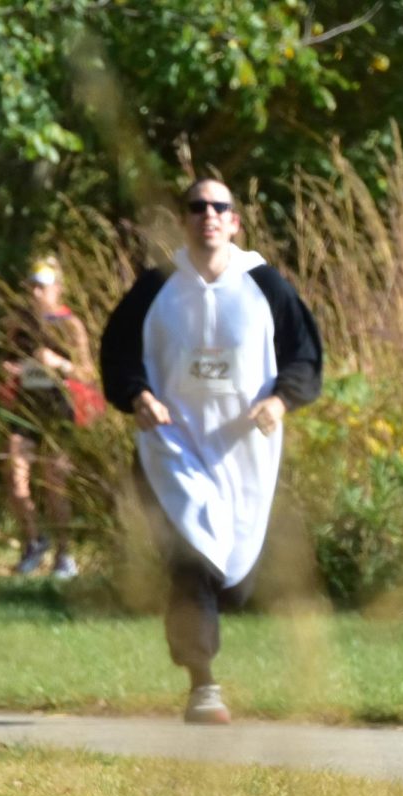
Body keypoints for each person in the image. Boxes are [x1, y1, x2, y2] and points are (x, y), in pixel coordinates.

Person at [100, 178, 322, 724]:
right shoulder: (156, 287)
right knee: (190, 560)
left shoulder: (266, 285)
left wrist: (280, 399)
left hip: (243, 453)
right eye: (197, 207)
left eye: (219, 206)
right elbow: (118, 351)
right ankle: (203, 684)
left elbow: (305, 356)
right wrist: (139, 396)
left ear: (235, 221)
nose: (208, 215)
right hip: (171, 449)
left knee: (235, 576)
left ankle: (206, 653)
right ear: (184, 220)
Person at [0, 255, 96, 579]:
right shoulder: (19, 323)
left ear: (58, 289)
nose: (36, 293)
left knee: (56, 482)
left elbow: (88, 372)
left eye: (43, 286)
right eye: (33, 286)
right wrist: (9, 370)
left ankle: (65, 555)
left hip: (61, 409)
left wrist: (60, 364)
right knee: (14, 473)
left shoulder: (71, 325)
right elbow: (6, 361)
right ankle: (34, 540)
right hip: (27, 408)